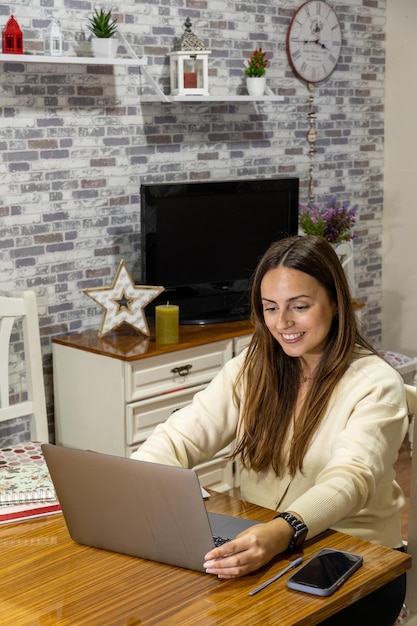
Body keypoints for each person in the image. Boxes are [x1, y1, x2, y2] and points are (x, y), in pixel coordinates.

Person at [132, 235, 408, 625]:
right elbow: (181, 437)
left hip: (355, 559)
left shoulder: (375, 383)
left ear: (334, 302)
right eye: (270, 308)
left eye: (300, 306)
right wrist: (135, 482)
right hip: (267, 545)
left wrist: (283, 530)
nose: (283, 324)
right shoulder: (254, 366)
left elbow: (352, 478)